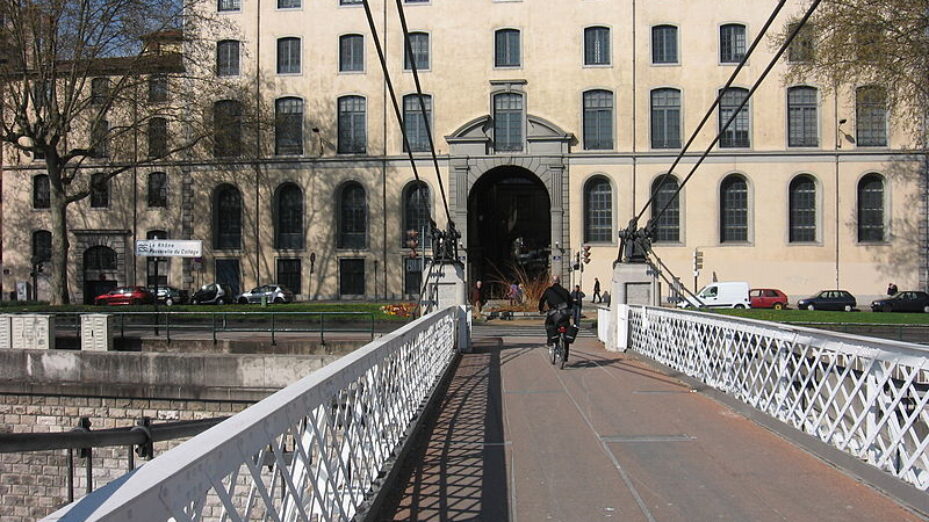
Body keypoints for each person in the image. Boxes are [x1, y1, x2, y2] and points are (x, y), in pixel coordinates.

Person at [538, 275, 575, 361]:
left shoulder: (549, 290)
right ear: (560, 281)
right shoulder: (565, 291)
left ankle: (551, 343)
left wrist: (541, 309)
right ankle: (565, 356)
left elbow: (542, 300)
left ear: (552, 281)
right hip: (565, 315)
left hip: (553, 315)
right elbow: (570, 303)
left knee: (549, 325)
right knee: (565, 334)